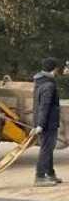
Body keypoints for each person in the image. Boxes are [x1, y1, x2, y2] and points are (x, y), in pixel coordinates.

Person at [34, 57, 62, 187]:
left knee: (48, 149)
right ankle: (39, 177)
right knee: (46, 149)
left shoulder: (40, 82)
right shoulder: (49, 85)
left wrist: (38, 123)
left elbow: (37, 105)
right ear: (54, 69)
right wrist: (40, 125)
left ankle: (50, 174)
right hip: (48, 123)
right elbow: (44, 106)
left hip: (45, 122)